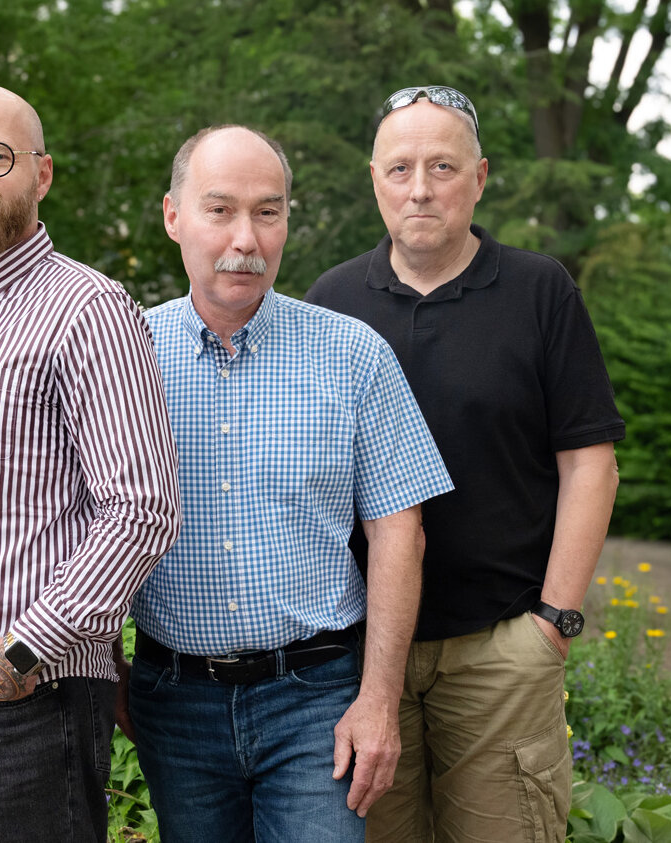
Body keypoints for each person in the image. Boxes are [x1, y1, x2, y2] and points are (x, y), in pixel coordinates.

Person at [305, 86, 624, 842]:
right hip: (360, 658)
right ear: (374, 180)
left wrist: (553, 621)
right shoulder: (330, 304)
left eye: (442, 166)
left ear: (479, 178)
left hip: (501, 649)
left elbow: (591, 463)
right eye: (401, 168)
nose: (420, 188)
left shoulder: (539, 290)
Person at [123, 124, 454, 843]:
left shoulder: (353, 355)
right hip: (172, 699)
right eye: (221, 210)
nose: (247, 237)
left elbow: (400, 531)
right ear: (174, 217)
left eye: (268, 212)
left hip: (317, 700)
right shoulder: (125, 356)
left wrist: (378, 700)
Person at [0, 85, 181, 842]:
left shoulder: (88, 308)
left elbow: (142, 508)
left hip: (27, 694)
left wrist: (23, 648)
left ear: (41, 175)